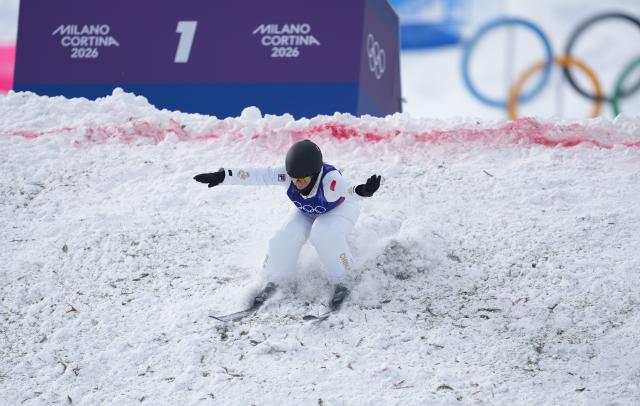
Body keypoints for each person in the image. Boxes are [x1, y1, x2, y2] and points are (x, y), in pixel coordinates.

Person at [194, 139, 381, 310]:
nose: (298, 184)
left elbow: (348, 188)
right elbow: (257, 175)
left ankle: (345, 280)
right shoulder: (287, 176)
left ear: (315, 174)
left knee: (323, 234)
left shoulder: (330, 181)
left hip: (338, 209)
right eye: (295, 179)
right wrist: (223, 176)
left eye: (303, 180)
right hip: (308, 210)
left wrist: (362, 190)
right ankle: (275, 279)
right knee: (284, 236)